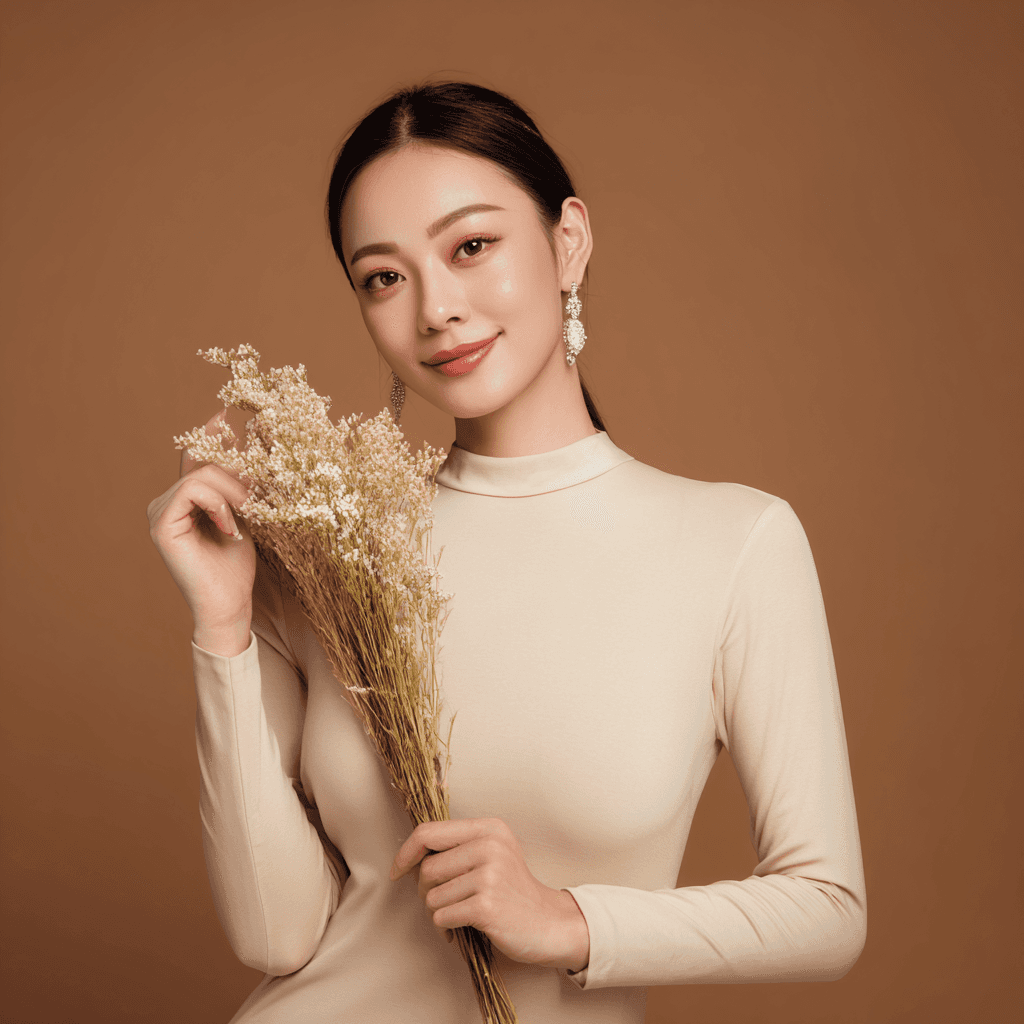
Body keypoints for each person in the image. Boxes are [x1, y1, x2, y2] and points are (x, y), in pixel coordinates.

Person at [146, 80, 866, 1024]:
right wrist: (225, 626)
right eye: (384, 277)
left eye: (472, 246)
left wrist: (571, 921)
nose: (436, 308)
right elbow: (276, 937)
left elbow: (827, 911)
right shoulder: (334, 553)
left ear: (568, 242)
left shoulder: (736, 543)